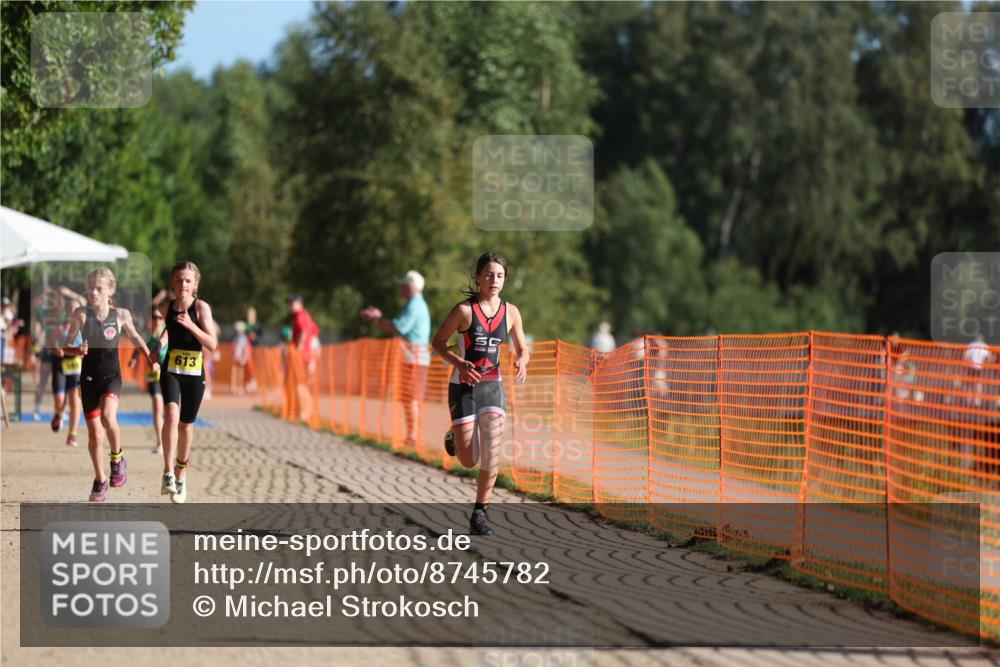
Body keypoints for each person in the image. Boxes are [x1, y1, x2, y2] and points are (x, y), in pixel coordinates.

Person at [431, 251, 529, 536]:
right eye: (488, 274)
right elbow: (437, 343)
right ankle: (454, 434)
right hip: (462, 386)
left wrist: (522, 360)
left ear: (505, 279)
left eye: (499, 275)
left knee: (492, 450)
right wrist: (460, 363)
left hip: (492, 386)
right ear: (477, 277)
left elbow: (523, 347)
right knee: (468, 460)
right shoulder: (463, 311)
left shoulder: (511, 312)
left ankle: (480, 513)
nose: (493, 280)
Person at [63, 267, 156, 502]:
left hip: (111, 377)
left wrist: (149, 357)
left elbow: (135, 336)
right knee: (95, 435)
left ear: (110, 291)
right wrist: (77, 349)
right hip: (89, 379)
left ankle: (117, 457)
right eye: (90, 288)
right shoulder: (81, 314)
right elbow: (64, 347)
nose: (93, 292)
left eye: (99, 288)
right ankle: (100, 479)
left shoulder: (121, 315)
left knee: (108, 417)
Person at [150, 261, 218, 504]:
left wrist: (192, 325)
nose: (183, 285)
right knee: (170, 414)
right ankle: (167, 472)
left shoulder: (201, 309)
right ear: (172, 283)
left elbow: (212, 344)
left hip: (194, 373)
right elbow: (169, 330)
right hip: (171, 369)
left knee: (186, 427)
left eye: (188, 280)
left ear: (196, 284)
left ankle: (181, 473)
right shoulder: (164, 306)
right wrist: (159, 346)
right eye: (178, 280)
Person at [360, 270, 432, 447]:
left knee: (411, 397)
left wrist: (377, 318)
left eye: (402, 285)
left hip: (413, 359)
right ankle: (412, 434)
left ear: (409, 286)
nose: (400, 288)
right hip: (415, 358)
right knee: (410, 398)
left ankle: (413, 436)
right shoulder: (416, 304)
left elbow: (397, 328)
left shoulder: (414, 305)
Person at [130, 306, 168, 453]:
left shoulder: (168, 332)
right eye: (154, 317)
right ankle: (160, 442)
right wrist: (134, 359)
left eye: (160, 318)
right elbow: (138, 346)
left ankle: (170, 438)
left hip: (169, 374)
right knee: (157, 407)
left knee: (170, 409)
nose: (157, 320)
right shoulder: (146, 334)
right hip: (154, 376)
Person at [287, 295, 319, 420]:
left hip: (302, 355)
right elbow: (315, 332)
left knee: (300, 383)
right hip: (307, 354)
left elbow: (304, 332)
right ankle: (306, 410)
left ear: (299, 303)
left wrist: (299, 348)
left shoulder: (300, 316)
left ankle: (304, 412)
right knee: (304, 383)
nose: (289, 306)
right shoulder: (306, 315)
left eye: (291, 303)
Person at [231, 320, 250, 395]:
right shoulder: (236, 338)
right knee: (234, 372)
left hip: (241, 358)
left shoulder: (244, 338)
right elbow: (233, 347)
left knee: (240, 373)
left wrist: (244, 357)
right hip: (236, 357)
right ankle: (234, 387)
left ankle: (239, 387)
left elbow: (245, 349)